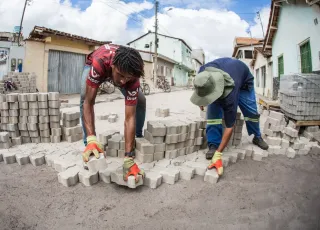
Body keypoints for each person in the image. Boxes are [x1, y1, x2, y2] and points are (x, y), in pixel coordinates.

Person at [190, 57, 269, 176]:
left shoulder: (230, 95)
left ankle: (257, 136)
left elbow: (229, 127)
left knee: (251, 112)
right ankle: (213, 145)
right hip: (223, 77)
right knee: (213, 113)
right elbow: (201, 89)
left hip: (243, 84)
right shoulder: (203, 74)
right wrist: (202, 100)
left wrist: (219, 155)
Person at [80, 44, 146, 182]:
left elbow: (129, 117)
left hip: (120, 70)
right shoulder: (100, 63)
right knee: (84, 96)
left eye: (127, 78)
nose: (123, 81)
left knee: (140, 100)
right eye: (120, 75)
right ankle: (90, 145)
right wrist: (92, 138)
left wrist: (129, 157)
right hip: (94, 64)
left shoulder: (131, 78)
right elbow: (89, 102)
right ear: (113, 66)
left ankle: (137, 137)